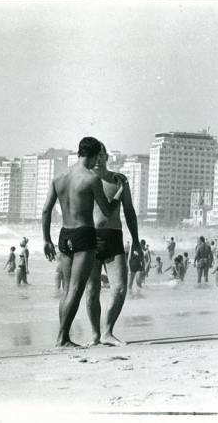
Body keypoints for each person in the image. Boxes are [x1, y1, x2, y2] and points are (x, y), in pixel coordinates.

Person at [41, 137, 123, 348]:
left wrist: (46, 240)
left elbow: (45, 210)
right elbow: (106, 210)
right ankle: (62, 338)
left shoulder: (59, 178)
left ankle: (63, 336)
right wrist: (119, 193)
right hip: (84, 234)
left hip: (64, 234)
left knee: (67, 289)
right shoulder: (91, 179)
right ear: (96, 155)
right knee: (76, 290)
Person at [85, 142, 142, 347]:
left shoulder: (118, 181)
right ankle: (94, 334)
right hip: (89, 238)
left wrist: (136, 241)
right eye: (95, 155)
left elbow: (129, 212)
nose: (98, 159)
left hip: (114, 236)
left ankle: (107, 332)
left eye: (102, 155)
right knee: (92, 290)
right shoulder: (84, 180)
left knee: (119, 288)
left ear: (107, 157)